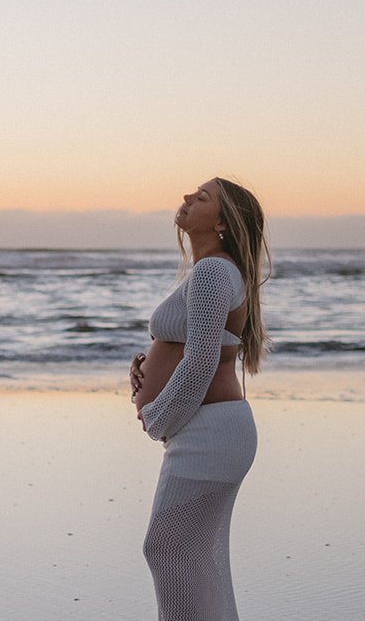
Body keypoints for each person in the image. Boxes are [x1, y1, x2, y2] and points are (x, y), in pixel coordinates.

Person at [129, 177, 270, 621]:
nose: (187, 197)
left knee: (168, 549)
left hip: (207, 431)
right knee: (196, 558)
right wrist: (150, 362)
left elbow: (202, 361)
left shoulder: (213, 271)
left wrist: (156, 415)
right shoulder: (215, 271)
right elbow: (196, 346)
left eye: (203, 197)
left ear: (224, 222)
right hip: (213, 428)